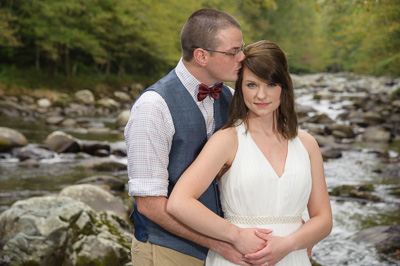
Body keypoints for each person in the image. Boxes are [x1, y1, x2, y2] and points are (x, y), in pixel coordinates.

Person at [124, 8, 270, 266]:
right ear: (201, 55)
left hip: (223, 253)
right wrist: (221, 243)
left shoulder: (231, 97)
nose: (243, 57)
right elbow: (148, 204)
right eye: (233, 51)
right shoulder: (153, 107)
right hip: (167, 252)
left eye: (242, 48)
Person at [167, 40, 333, 265]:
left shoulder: (307, 144)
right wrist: (234, 235)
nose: (261, 95)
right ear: (240, 87)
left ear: (284, 86)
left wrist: (289, 244)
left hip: (291, 256)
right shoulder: (227, 140)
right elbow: (179, 202)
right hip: (241, 257)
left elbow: (323, 219)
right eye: (252, 85)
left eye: (271, 85)